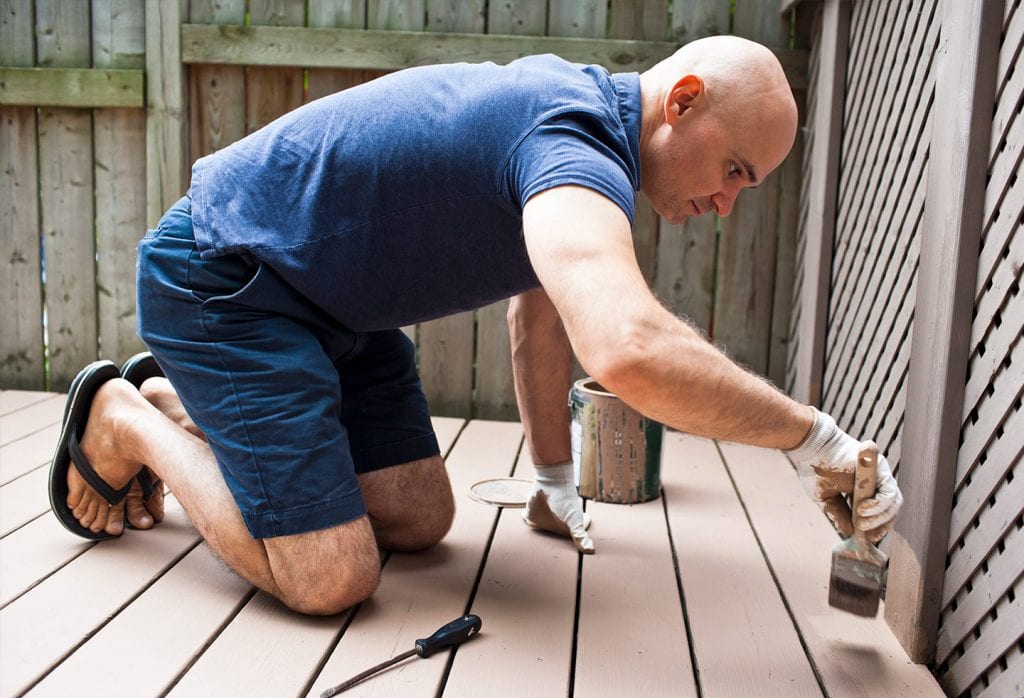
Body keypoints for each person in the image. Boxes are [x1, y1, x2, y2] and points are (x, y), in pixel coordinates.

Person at [49, 35, 902, 615]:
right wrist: (812, 435)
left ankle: (178, 401)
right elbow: (629, 348)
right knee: (331, 576)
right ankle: (123, 416)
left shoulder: (583, 135)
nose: (724, 203)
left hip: (332, 307)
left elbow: (538, 316)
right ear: (681, 101)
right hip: (226, 275)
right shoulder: (573, 143)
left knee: (420, 518)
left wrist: (558, 484)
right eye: (734, 169)